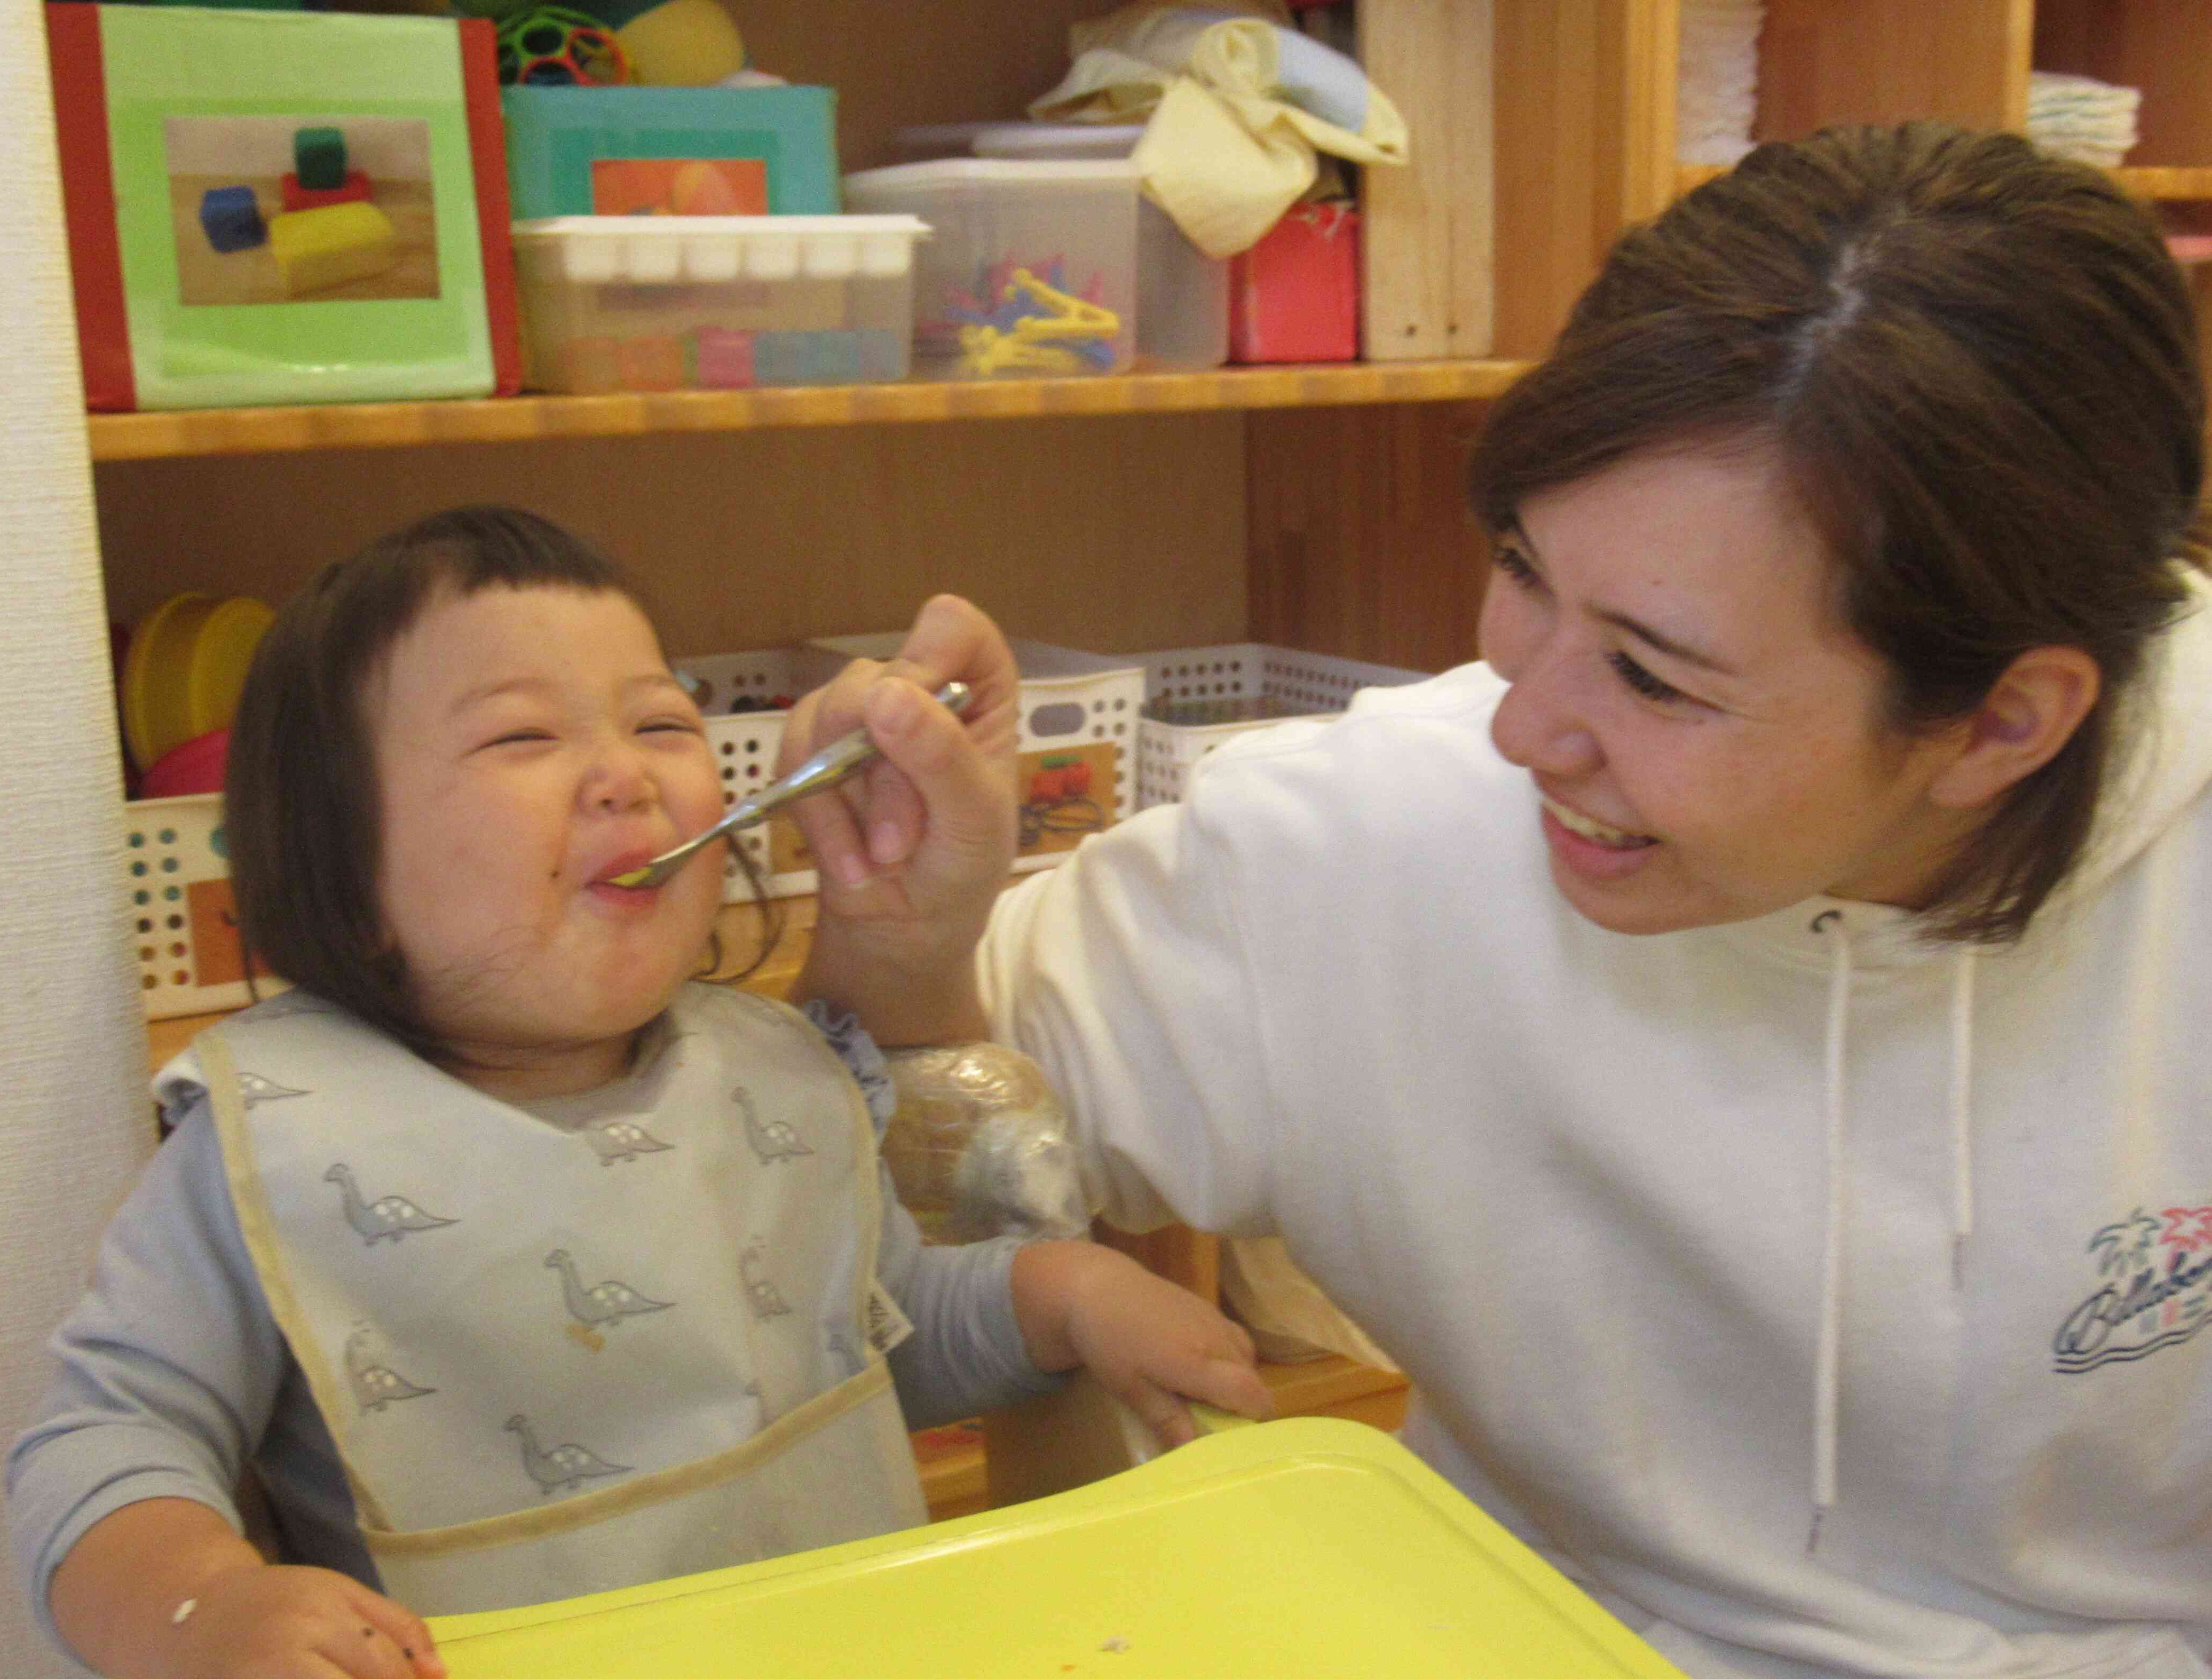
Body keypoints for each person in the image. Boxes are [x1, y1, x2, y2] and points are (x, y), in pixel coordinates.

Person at [780, 124, 2212, 1678]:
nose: (1521, 725)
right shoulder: (1373, 832)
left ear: (2001, 722)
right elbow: (855, 1192)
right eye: (1524, 571)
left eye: (1656, 677)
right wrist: (902, 939)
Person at [7, 507, 1271, 1679]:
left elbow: (867, 1342)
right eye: (521, 736)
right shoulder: (266, 1143)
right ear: (337, 865)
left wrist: (1061, 1297)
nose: (624, 773)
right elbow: (104, 1440)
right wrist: (200, 1608)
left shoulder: (769, 1075)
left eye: (660, 724)